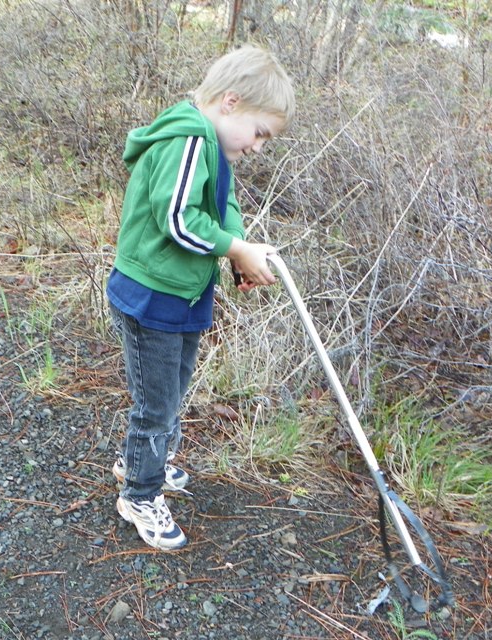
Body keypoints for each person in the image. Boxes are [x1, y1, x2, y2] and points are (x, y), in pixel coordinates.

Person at [107, 45, 295, 550]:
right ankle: (139, 492)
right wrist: (232, 247)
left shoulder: (212, 145)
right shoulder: (188, 138)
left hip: (184, 293)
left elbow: (222, 203)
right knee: (156, 401)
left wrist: (239, 252)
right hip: (152, 295)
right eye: (259, 134)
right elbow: (177, 220)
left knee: (174, 386)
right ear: (231, 102)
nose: (257, 147)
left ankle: (145, 457)